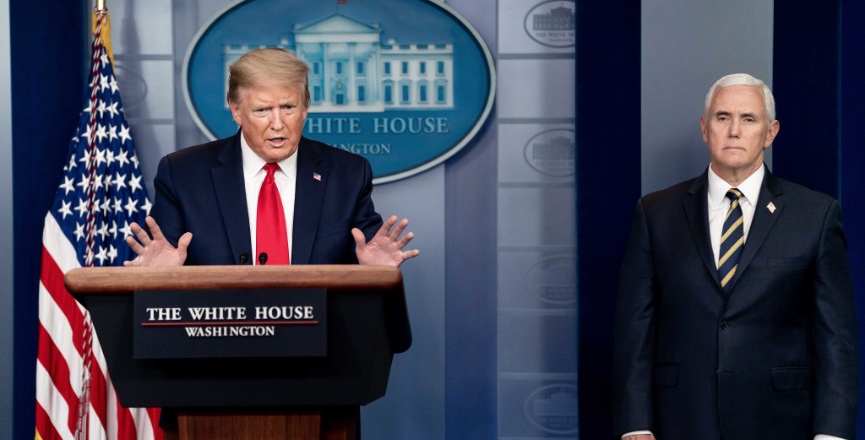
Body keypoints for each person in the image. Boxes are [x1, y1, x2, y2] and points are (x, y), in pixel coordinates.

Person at [123, 47, 419, 436]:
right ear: (235, 109)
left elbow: (367, 283)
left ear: (306, 107)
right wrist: (158, 281)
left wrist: (372, 274)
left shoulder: (346, 174)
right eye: (263, 110)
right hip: (209, 385)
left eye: (289, 107)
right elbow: (162, 292)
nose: (278, 124)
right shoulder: (184, 173)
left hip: (321, 388)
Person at [612, 73, 857, 440]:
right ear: (704, 128)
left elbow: (836, 338)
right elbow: (635, 329)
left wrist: (832, 433)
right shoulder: (656, 213)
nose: (734, 130)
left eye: (748, 119)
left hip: (781, 423)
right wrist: (635, 425)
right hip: (680, 420)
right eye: (722, 117)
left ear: (770, 133)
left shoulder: (815, 215)